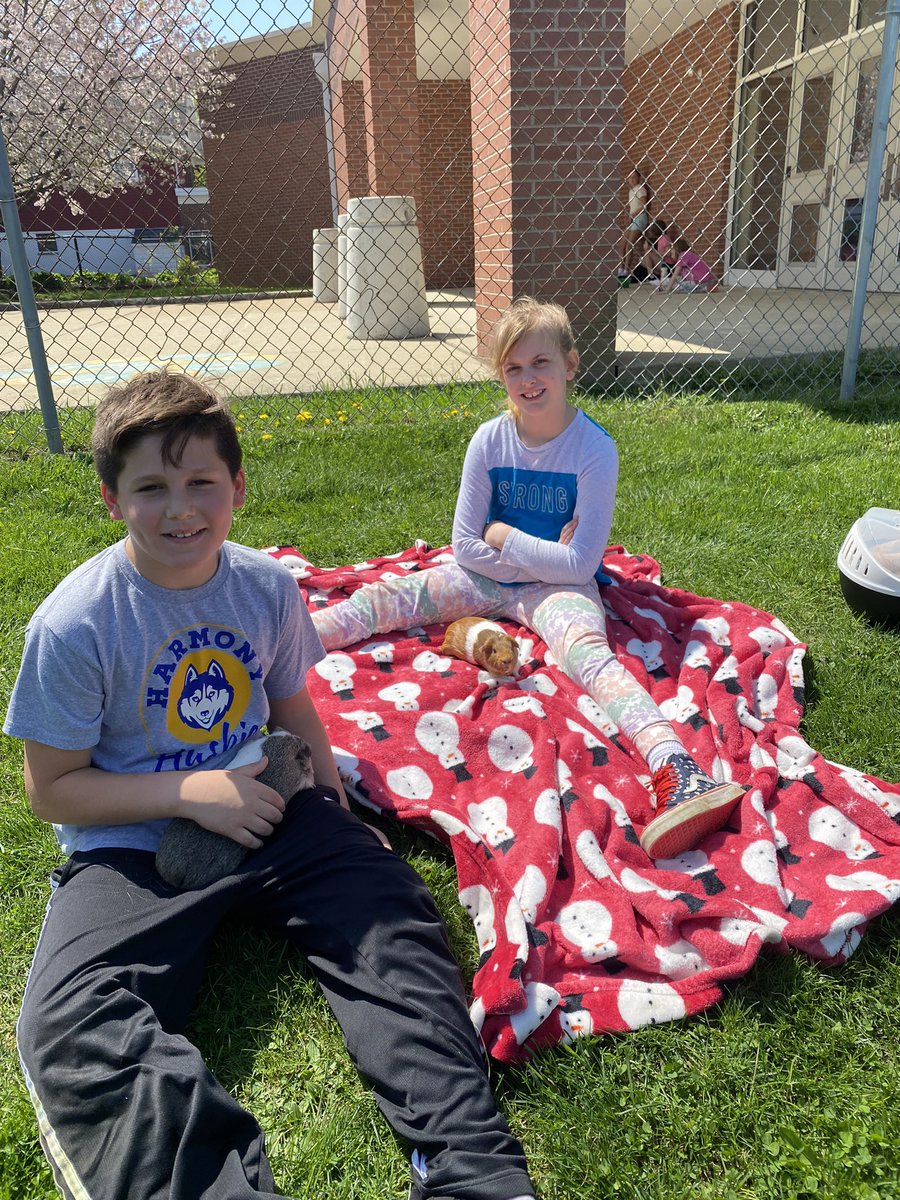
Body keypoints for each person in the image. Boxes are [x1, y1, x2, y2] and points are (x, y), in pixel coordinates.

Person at [3, 372, 537, 1200]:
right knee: (70, 1026)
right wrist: (186, 793)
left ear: (237, 487)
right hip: (132, 848)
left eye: (200, 483)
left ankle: (472, 1170)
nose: (180, 509)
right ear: (111, 499)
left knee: (394, 917)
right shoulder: (74, 624)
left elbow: (297, 711)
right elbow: (53, 791)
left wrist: (337, 809)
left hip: (269, 806)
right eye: (151, 487)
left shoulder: (262, 588)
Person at [311, 298, 745, 862]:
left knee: (590, 656)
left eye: (539, 362)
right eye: (513, 368)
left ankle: (676, 767)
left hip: (559, 592)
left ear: (570, 364)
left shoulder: (594, 449)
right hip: (483, 579)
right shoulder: (489, 440)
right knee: (390, 598)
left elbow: (580, 567)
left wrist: (504, 538)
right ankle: (278, 638)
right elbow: (465, 542)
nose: (527, 379)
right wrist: (538, 554)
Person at [617, 167, 652, 282]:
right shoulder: (631, 191)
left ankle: (626, 271)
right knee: (622, 244)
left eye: (633, 177)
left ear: (639, 178)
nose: (631, 180)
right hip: (632, 219)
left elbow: (643, 206)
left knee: (629, 245)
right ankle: (620, 268)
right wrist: (629, 216)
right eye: (629, 178)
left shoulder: (641, 189)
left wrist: (633, 215)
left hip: (640, 218)